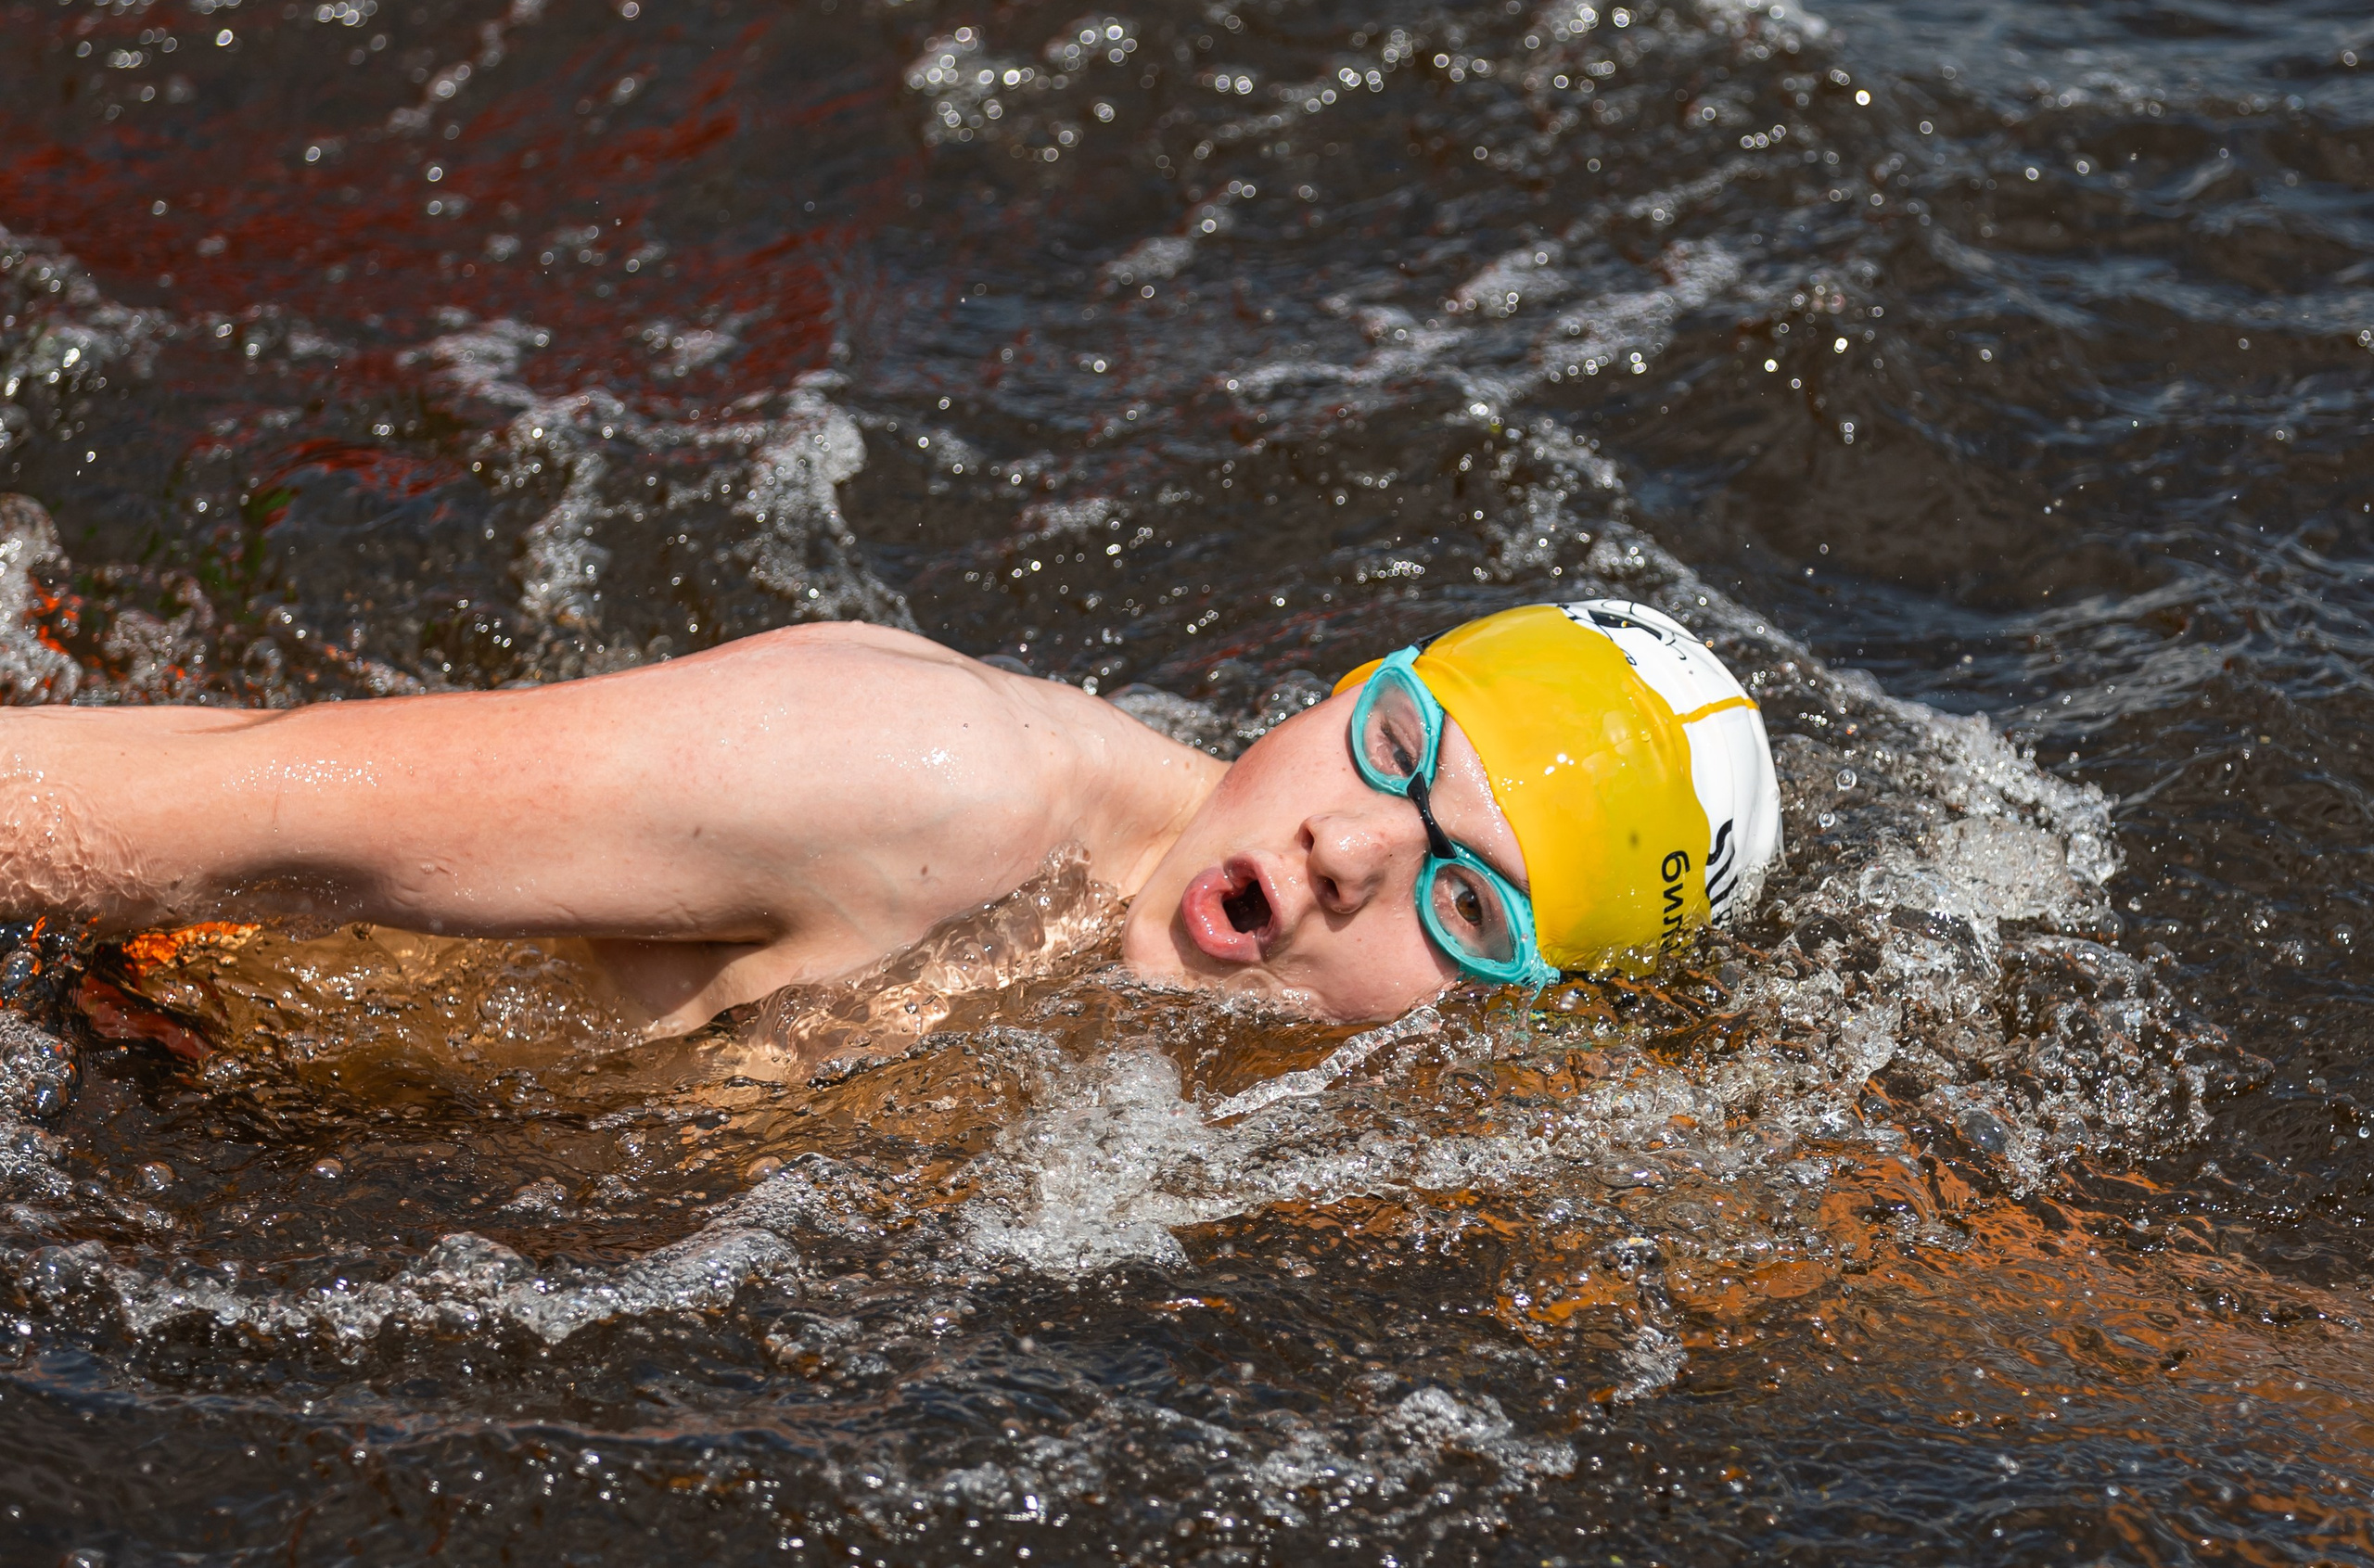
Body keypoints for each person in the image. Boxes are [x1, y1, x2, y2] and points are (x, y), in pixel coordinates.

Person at [0, 599, 1780, 1030]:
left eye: (1470, 905)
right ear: (1330, 692)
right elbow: (205, 808)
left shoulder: (1226, 1071)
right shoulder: (933, 787)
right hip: (107, 979)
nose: (1353, 848)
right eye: (1395, 747)